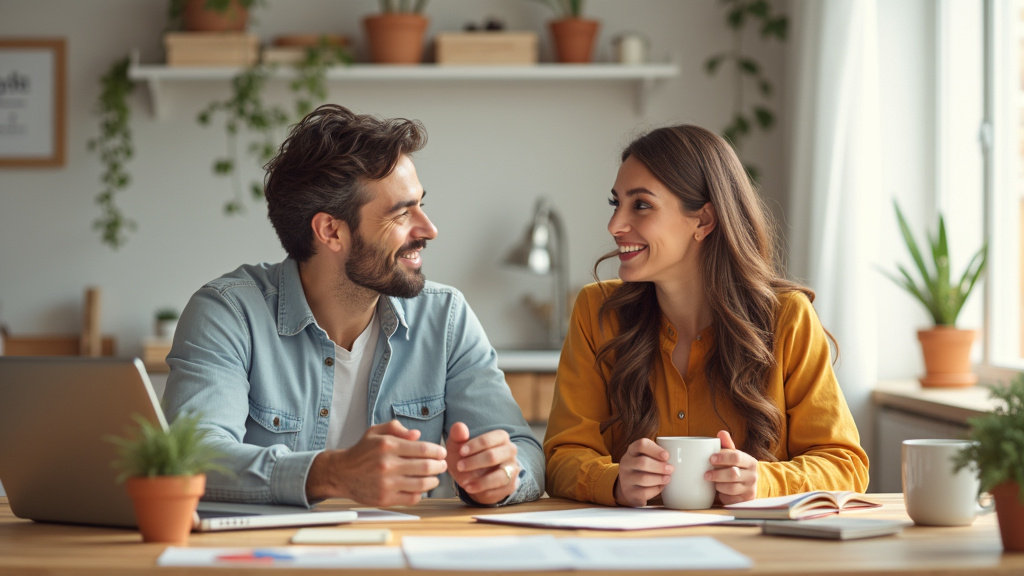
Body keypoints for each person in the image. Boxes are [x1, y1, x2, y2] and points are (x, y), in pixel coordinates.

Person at [163, 104, 543, 509]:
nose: (429, 229)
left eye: (422, 204)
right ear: (331, 231)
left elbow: (524, 451)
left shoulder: (445, 317)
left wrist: (501, 476)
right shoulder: (228, 313)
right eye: (402, 213)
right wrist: (332, 474)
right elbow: (190, 460)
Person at [543, 124, 869, 508]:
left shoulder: (788, 318)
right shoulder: (596, 312)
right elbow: (563, 455)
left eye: (641, 205)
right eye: (616, 204)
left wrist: (762, 481)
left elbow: (845, 464)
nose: (615, 226)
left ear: (703, 221)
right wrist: (614, 481)